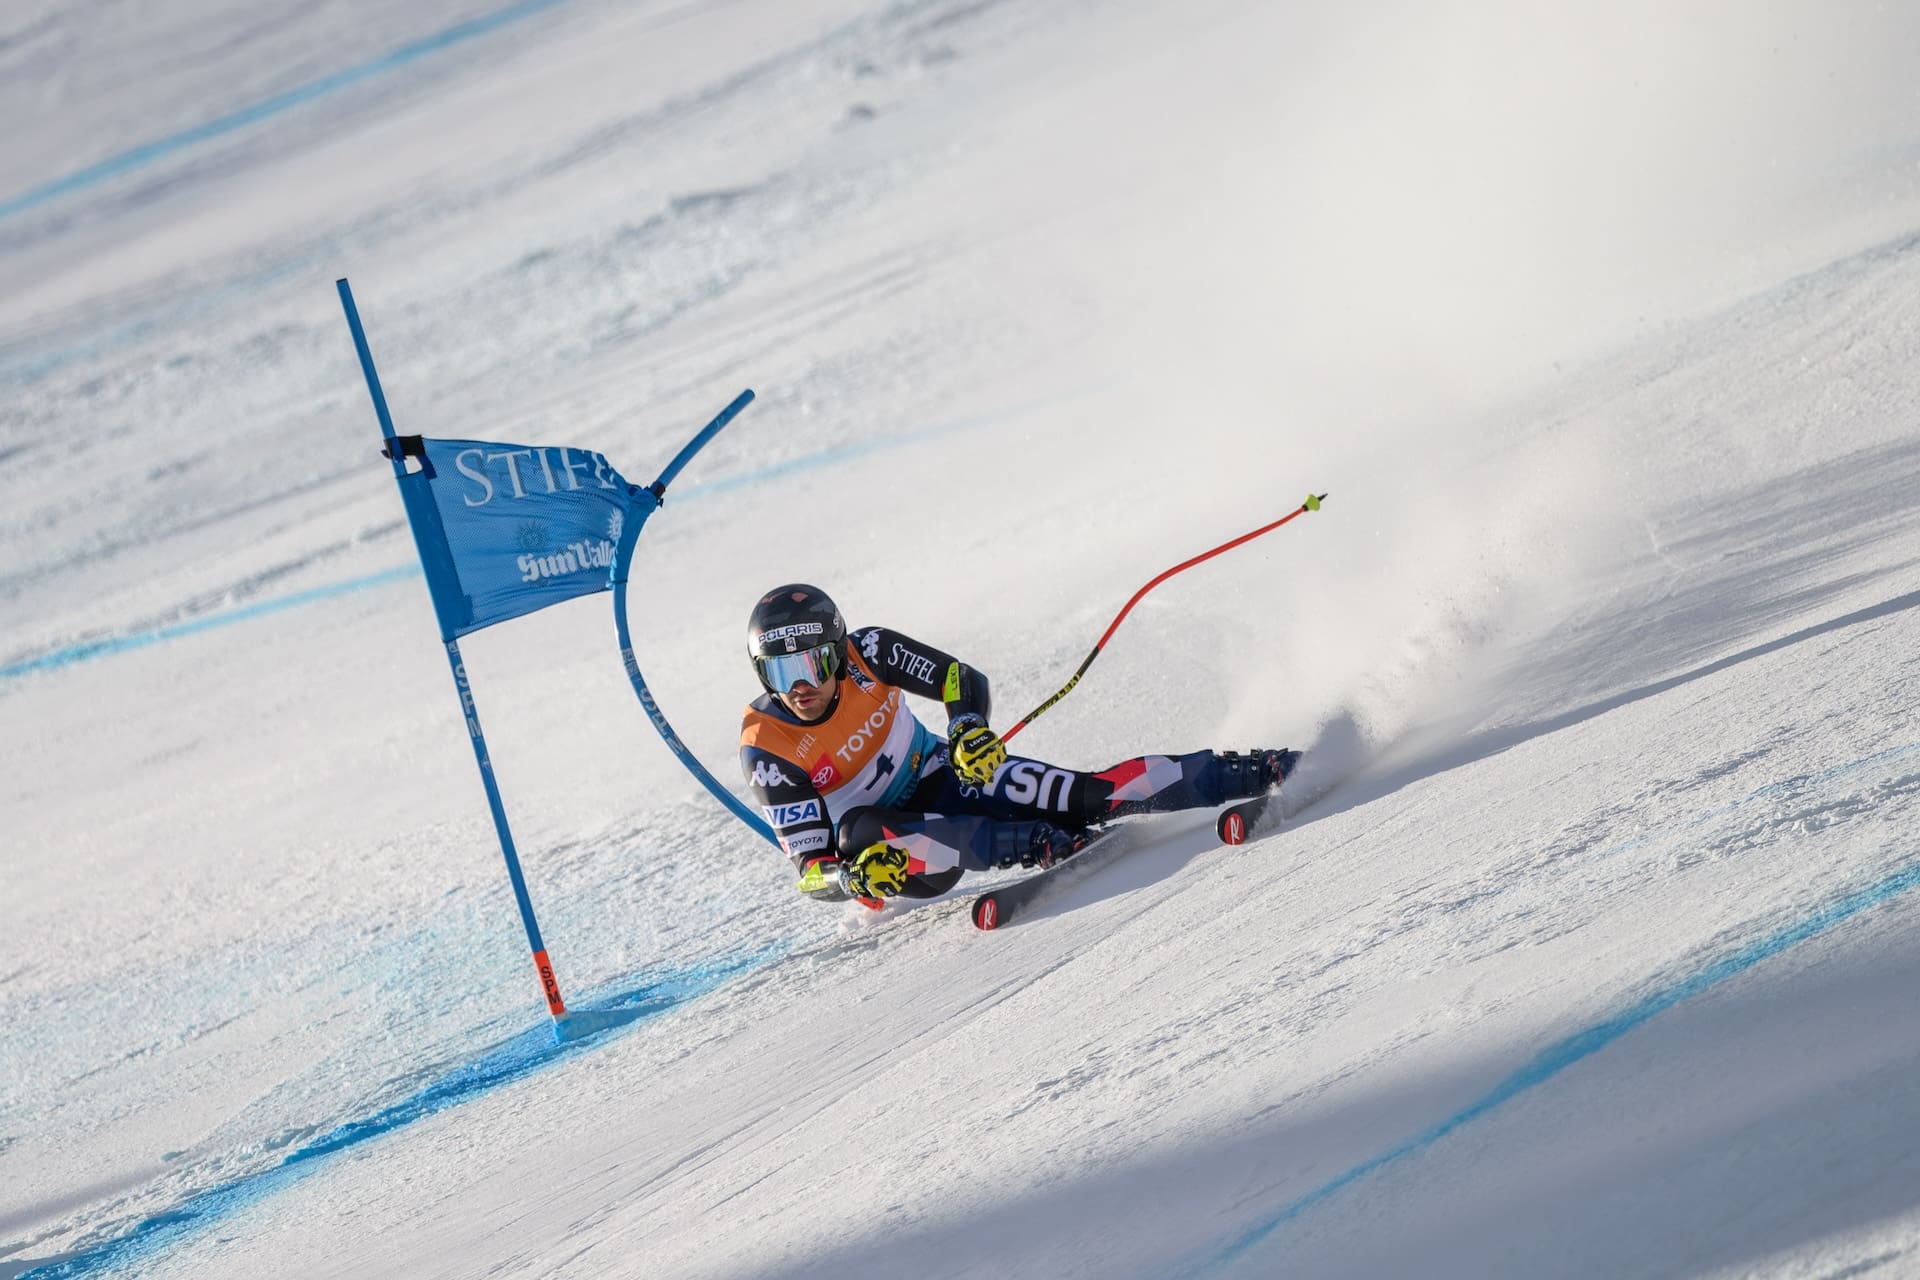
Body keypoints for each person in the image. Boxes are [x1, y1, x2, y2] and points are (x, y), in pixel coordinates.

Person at [738, 584, 1297, 904]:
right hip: (907, 853)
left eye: (812, 664)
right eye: (781, 675)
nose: (802, 688)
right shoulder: (768, 745)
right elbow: (811, 870)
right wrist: (852, 877)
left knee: (1084, 794)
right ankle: (1032, 843)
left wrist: (967, 729)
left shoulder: (872, 651)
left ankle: (1251, 771)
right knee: (856, 828)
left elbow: (958, 679)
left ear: (838, 651)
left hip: (944, 776)